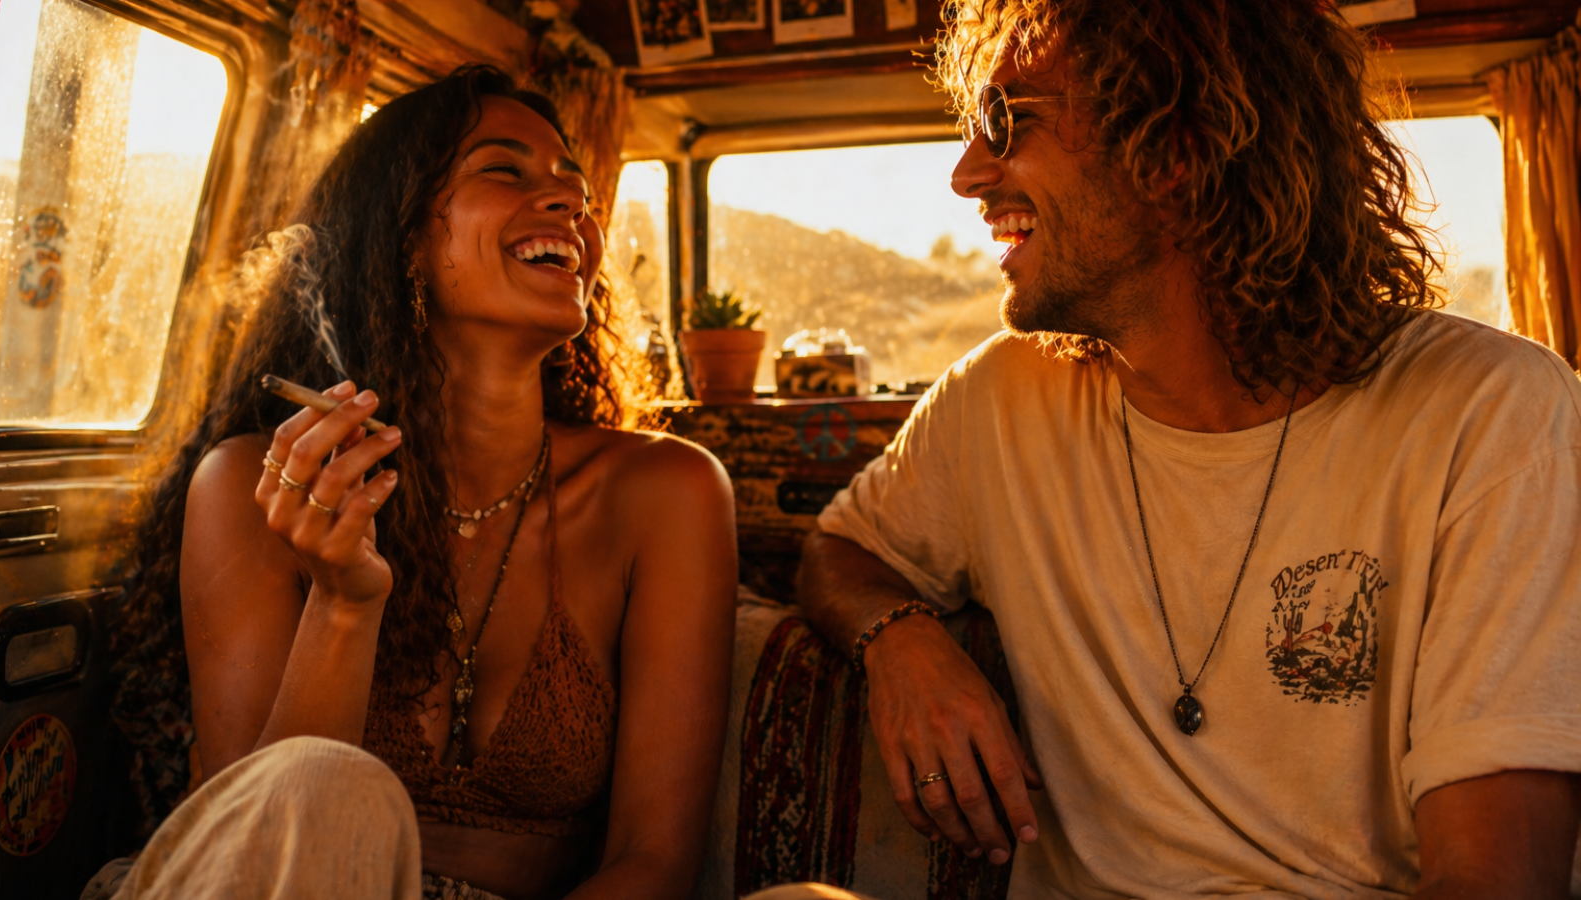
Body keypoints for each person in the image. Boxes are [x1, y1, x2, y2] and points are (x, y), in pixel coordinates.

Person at [791, 1, 1581, 897]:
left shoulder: (1492, 412)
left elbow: (1497, 881)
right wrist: (901, 642)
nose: (967, 175)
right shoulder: (1002, 398)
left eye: (1008, 121)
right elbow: (841, 551)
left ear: (1175, 148)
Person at [101, 66, 737, 900]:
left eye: (574, 189)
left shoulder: (669, 490)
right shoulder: (253, 486)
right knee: (335, 790)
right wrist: (344, 603)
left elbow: (653, 863)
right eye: (505, 170)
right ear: (401, 236)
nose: (569, 206)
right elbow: (247, 838)